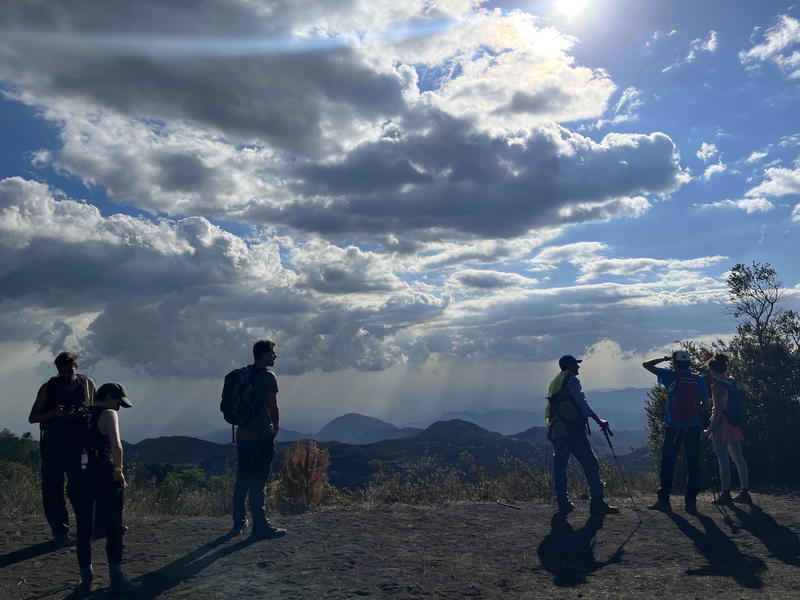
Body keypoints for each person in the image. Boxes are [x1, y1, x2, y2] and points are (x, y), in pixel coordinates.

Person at [73, 382, 139, 597]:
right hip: (103, 471)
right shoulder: (109, 413)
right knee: (113, 524)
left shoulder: (82, 413)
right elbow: (116, 445)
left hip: (80, 473)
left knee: (84, 528)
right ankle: (117, 578)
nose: (119, 407)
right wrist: (118, 470)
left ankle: (86, 578)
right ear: (109, 396)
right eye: (118, 401)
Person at [28, 351, 96, 540]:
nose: (66, 376)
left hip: (79, 442)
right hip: (53, 443)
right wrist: (53, 413)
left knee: (82, 485)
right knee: (52, 486)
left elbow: (95, 410)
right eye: (62, 373)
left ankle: (88, 524)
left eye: (70, 372)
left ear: (76, 368)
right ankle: (60, 528)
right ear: (58, 370)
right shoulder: (48, 388)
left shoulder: (87, 383)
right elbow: (33, 418)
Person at [546, 354, 619, 515]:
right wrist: (598, 420)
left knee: (560, 465)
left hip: (558, 429)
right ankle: (598, 503)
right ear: (570, 366)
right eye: (576, 364)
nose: (579, 367)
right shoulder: (572, 380)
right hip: (573, 430)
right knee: (591, 464)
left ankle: (563, 502)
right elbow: (581, 401)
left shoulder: (556, 381)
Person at [231, 339, 286, 538]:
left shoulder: (243, 375)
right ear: (262, 354)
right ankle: (260, 526)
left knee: (243, 478)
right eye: (272, 353)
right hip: (261, 435)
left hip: (243, 435)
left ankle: (238, 522)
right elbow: (273, 406)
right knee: (259, 480)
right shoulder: (268, 377)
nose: (275, 356)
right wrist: (276, 427)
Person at [643, 350, 709, 514]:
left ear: (675, 362)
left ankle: (664, 500)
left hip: (674, 427)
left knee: (668, 463)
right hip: (693, 427)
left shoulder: (669, 375)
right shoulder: (698, 379)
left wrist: (665, 358)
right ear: (688, 363)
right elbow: (706, 405)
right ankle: (691, 502)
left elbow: (646, 365)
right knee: (693, 463)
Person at [701, 353, 751, 505]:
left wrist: (708, 431)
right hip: (734, 423)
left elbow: (718, 412)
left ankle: (725, 493)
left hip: (722, 425)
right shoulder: (732, 381)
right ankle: (745, 491)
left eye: (709, 369)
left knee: (723, 460)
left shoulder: (716, 386)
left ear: (712, 370)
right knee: (739, 459)